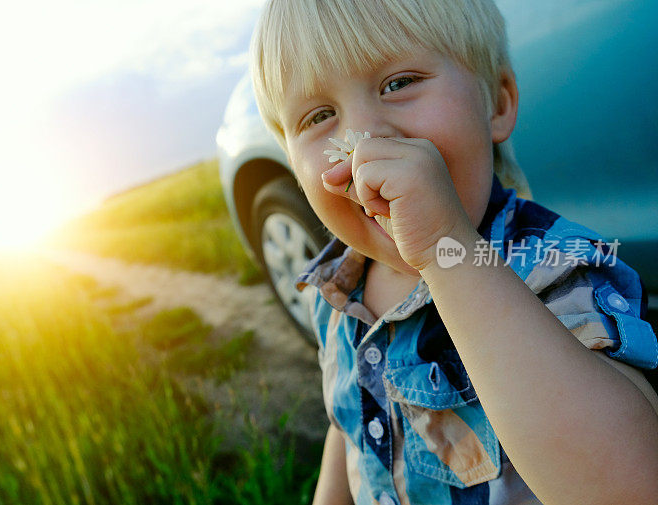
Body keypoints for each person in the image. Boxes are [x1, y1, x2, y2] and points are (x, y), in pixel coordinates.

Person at [248, 1, 658, 504]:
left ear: (498, 103)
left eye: (398, 83)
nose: (361, 142)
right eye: (319, 116)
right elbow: (352, 421)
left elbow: (631, 486)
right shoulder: (334, 291)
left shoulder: (556, 268)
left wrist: (447, 251)